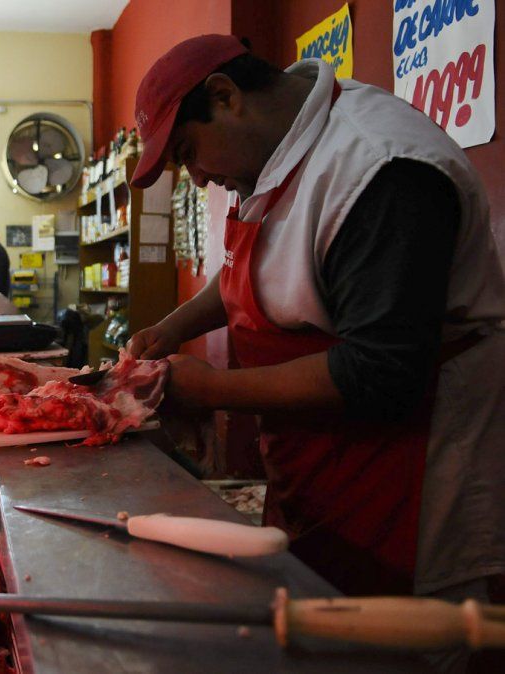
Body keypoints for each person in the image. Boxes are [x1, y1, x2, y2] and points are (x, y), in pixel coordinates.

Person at [126, 35, 505, 612]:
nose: (197, 179)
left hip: (414, 465)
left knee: (399, 646)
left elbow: (381, 372)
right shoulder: (266, 160)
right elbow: (250, 275)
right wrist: (175, 325)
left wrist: (210, 391)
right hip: (321, 463)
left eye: (187, 151)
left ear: (225, 96)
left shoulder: (379, 169)